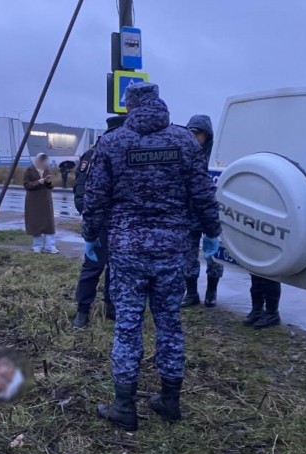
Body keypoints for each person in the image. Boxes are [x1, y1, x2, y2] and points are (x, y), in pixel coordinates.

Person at [82, 82, 221, 431]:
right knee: (169, 323)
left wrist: (90, 236)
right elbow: (203, 193)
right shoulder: (184, 141)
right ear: (159, 104)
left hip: (127, 249)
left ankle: (124, 406)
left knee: (128, 326)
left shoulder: (112, 142)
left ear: (129, 106)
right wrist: (212, 232)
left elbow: (96, 196)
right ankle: (170, 400)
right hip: (172, 247)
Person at [71, 115, 126, 329]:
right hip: (99, 221)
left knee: (117, 268)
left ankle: (111, 307)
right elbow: (81, 187)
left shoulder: (124, 153)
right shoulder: (93, 154)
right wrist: (87, 212)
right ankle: (82, 311)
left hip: (121, 223)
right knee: (93, 266)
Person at [182, 115, 225, 308]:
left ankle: (211, 291)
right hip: (187, 215)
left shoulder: (217, 159)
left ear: (207, 135)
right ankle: (191, 292)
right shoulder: (184, 154)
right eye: (191, 132)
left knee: (213, 256)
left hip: (210, 215)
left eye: (198, 133)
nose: (194, 137)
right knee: (188, 256)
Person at [23, 152, 58, 254]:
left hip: (46, 200)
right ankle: (37, 246)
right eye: (42, 160)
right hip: (34, 200)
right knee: (36, 223)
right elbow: (26, 185)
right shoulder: (29, 170)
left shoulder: (46, 170)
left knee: (49, 223)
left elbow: (50, 186)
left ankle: (50, 246)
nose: (43, 162)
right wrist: (37, 182)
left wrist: (48, 182)